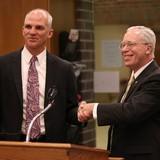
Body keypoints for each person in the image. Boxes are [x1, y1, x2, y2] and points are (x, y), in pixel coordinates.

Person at [78, 26, 160, 160]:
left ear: (148, 48)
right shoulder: (136, 77)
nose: (124, 49)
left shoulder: (156, 78)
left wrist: (94, 108)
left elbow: (131, 111)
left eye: (131, 44)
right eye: (122, 45)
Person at [0, 8, 81, 143]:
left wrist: (81, 113)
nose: (32, 32)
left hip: (51, 144)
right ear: (23, 30)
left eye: (39, 28)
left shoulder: (64, 69)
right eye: (28, 27)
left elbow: (70, 110)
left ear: (50, 33)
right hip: (11, 143)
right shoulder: (3, 65)